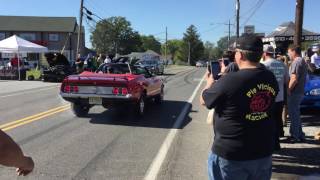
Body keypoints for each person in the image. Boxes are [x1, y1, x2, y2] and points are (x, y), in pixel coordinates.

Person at [201, 35, 279, 180]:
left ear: (240, 55)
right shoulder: (270, 77)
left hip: (232, 155)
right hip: (263, 151)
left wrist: (209, 82)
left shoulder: (230, 80)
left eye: (235, 52)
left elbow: (204, 100)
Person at [262, 45, 289, 150]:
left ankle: (270, 144)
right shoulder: (282, 65)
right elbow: (287, 81)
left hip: (268, 98)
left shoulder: (263, 65)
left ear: (264, 53)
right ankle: (276, 143)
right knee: (278, 120)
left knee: (268, 121)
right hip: (280, 97)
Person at [287, 45, 307, 143]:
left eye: (289, 52)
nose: (288, 54)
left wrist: (288, 89)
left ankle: (295, 136)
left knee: (293, 115)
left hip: (295, 92)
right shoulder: (302, 60)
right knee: (296, 114)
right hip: (299, 91)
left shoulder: (296, 61)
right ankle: (300, 134)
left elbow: (294, 79)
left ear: (293, 51)